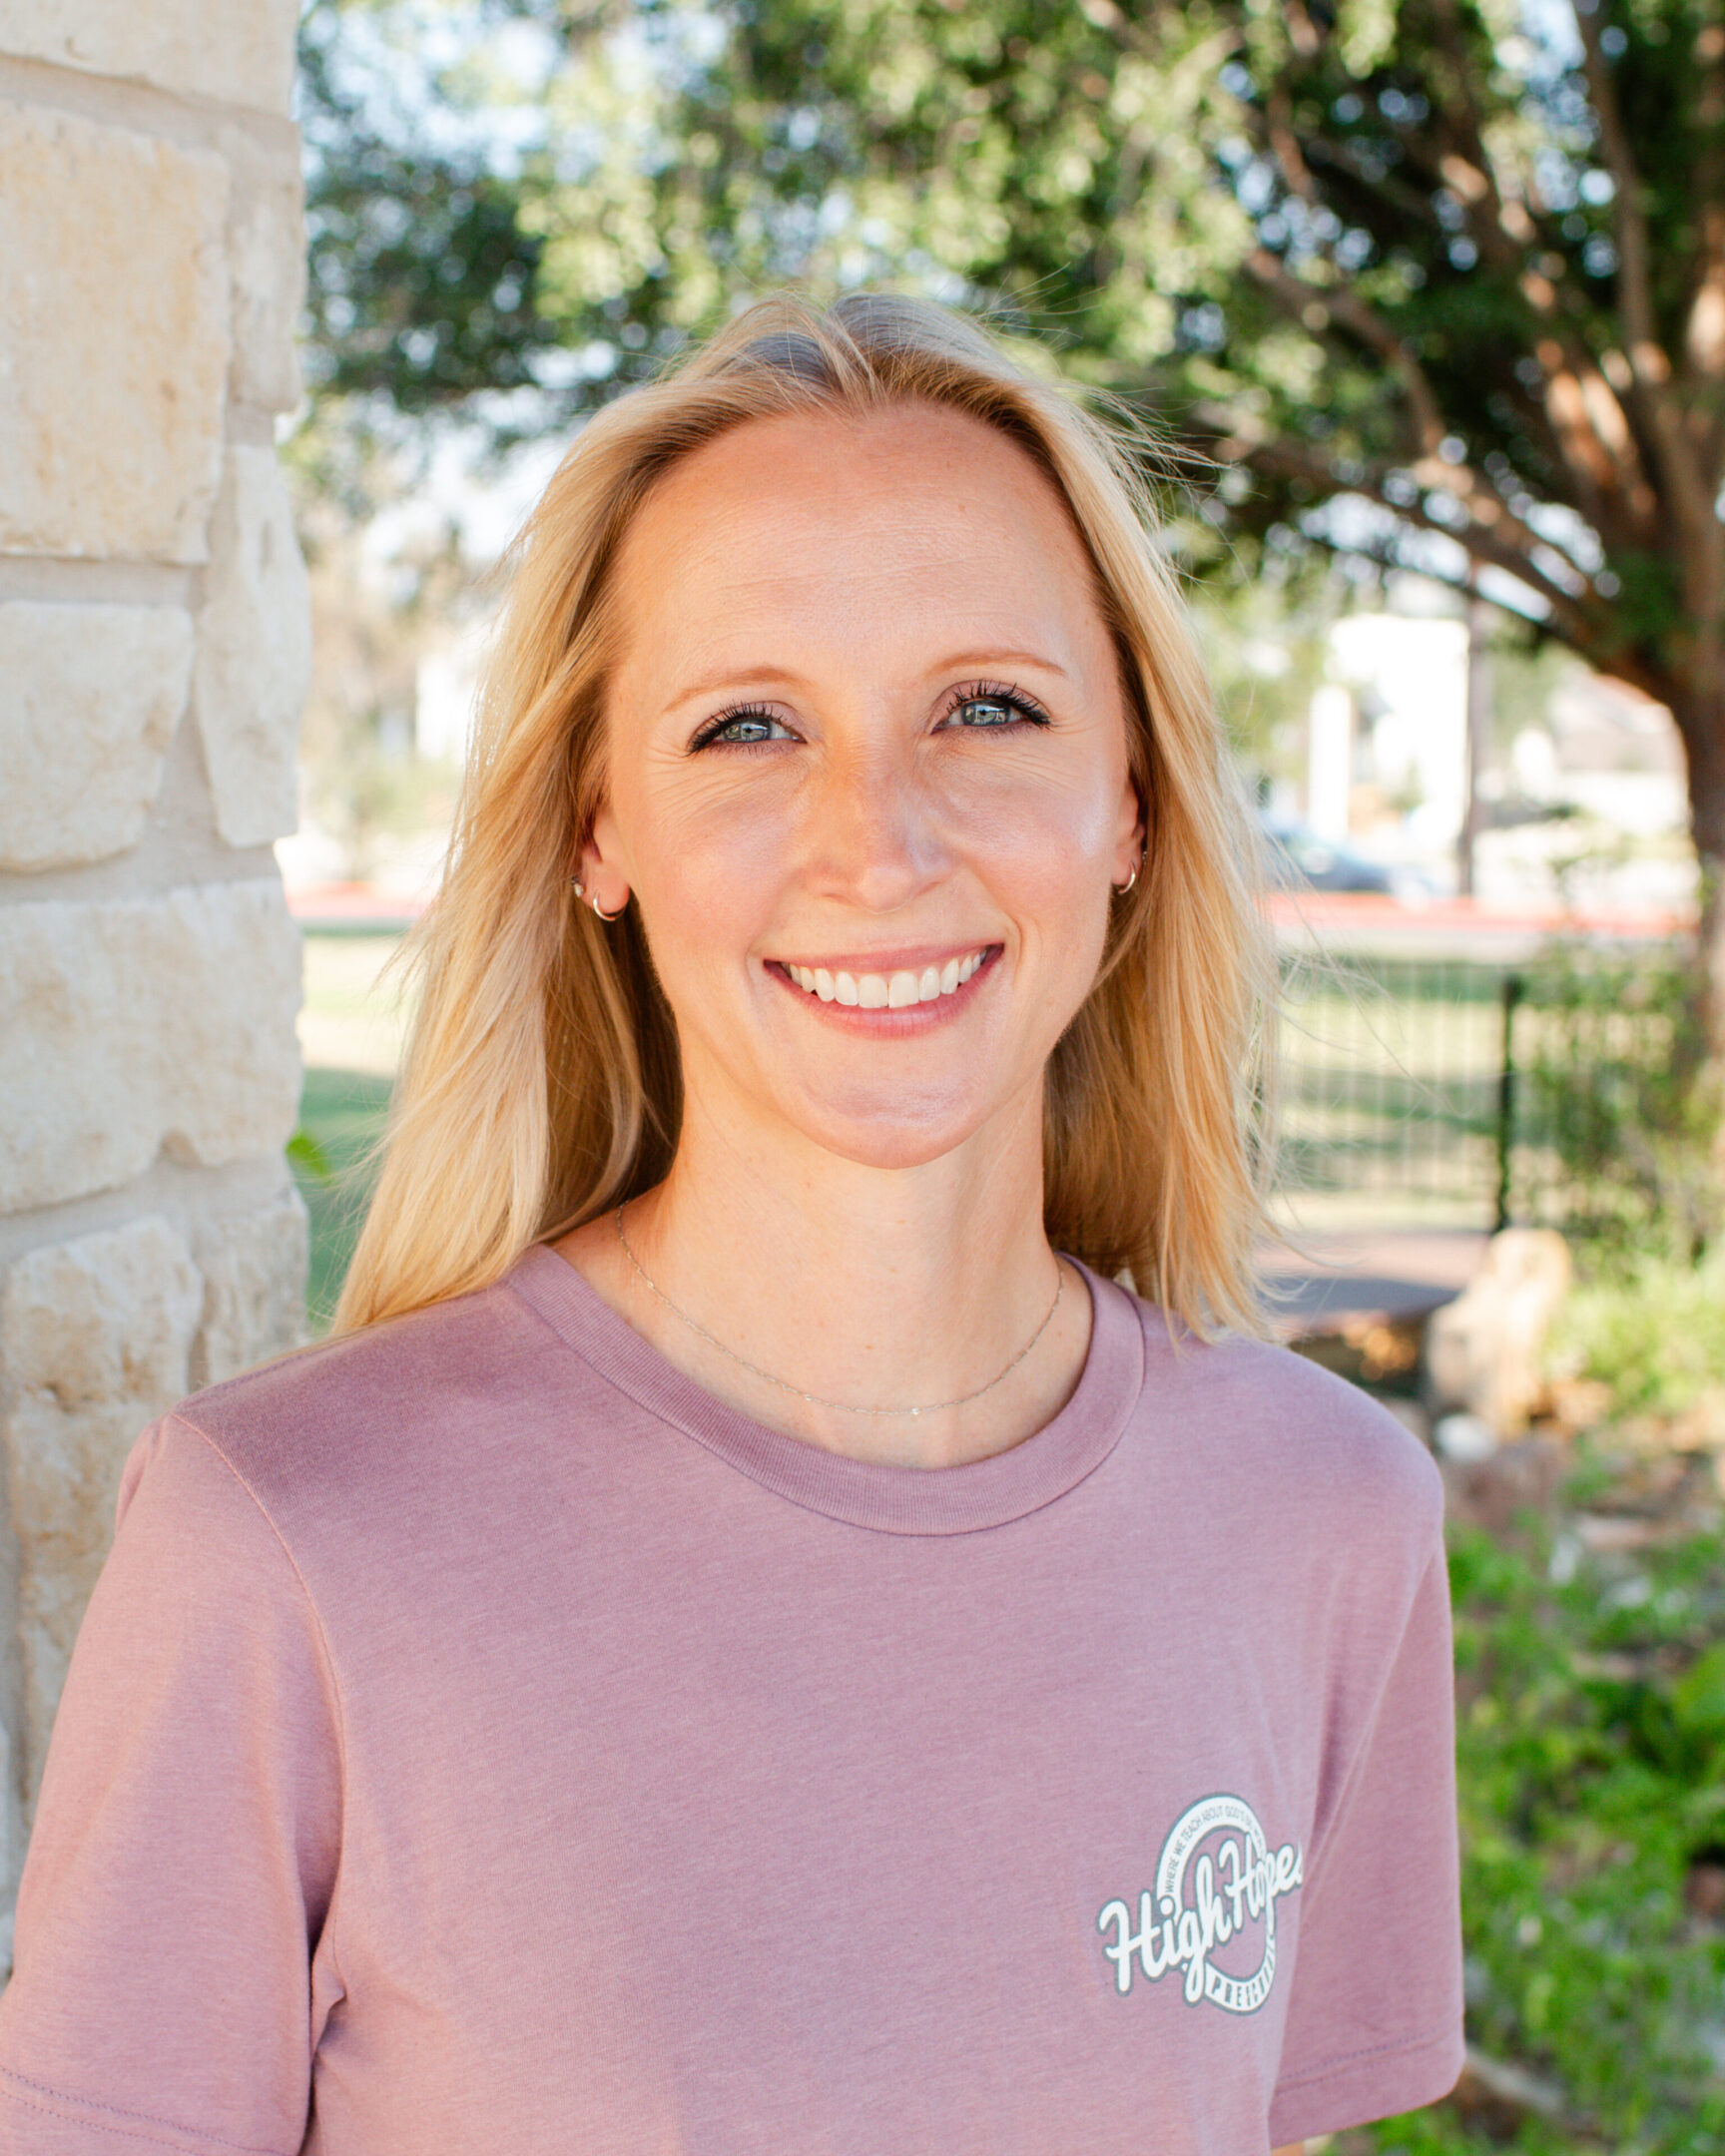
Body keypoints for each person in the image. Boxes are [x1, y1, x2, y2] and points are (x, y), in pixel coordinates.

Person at [0, 294, 1462, 2154]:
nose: (880, 840)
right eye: (749, 726)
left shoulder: (1327, 1516)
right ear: (601, 828)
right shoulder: (282, 1545)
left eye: (989, 707)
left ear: (1134, 809)